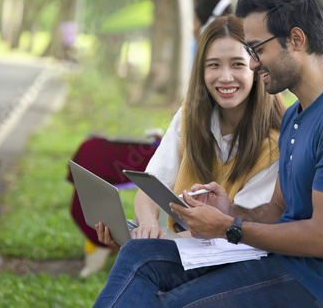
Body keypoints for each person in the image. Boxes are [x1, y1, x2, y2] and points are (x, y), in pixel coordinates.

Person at [92, 0, 323, 308]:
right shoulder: (298, 114)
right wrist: (230, 210)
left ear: (296, 39)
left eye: (257, 49)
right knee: (140, 256)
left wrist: (228, 226)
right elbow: (277, 211)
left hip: (320, 283)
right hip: (282, 260)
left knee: (173, 303)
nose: (252, 63)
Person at [96, 14, 286, 251]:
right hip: (182, 242)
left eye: (237, 64)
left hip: (232, 253)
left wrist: (159, 243)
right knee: (133, 247)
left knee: (136, 256)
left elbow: (239, 228)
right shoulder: (190, 116)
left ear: (257, 67)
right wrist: (146, 226)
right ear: (201, 69)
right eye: (213, 65)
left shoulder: (276, 142)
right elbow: (151, 186)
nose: (225, 77)